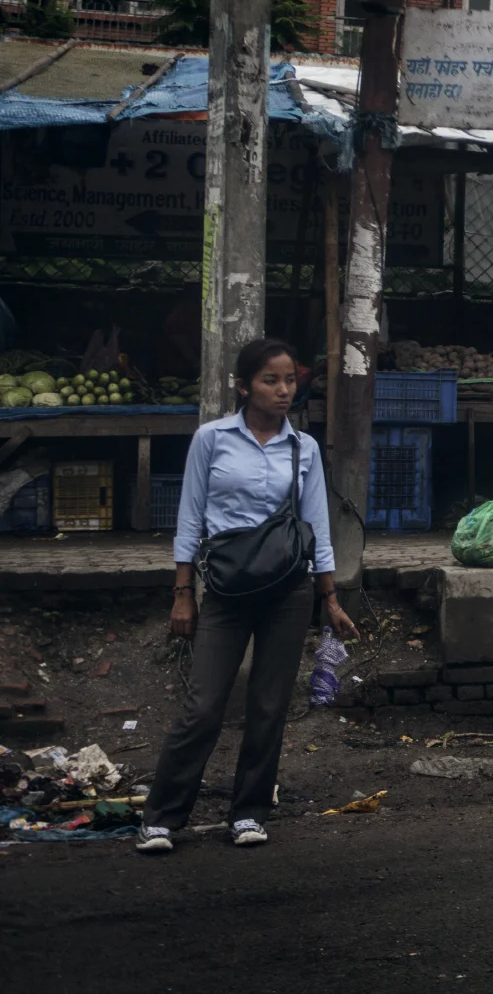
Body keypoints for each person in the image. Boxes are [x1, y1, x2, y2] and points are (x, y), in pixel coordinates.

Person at [136, 339, 358, 854]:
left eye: (290, 381)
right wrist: (183, 592)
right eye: (270, 380)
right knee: (203, 705)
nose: (283, 391)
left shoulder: (303, 448)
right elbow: (190, 518)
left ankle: (249, 812)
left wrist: (329, 598)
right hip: (227, 590)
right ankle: (162, 818)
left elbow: (317, 527)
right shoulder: (212, 439)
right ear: (243, 386)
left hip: (288, 591)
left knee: (269, 706)